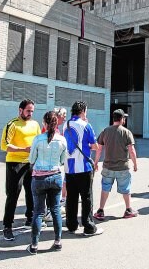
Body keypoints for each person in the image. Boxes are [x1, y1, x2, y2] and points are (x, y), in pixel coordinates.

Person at [26, 111, 68, 254]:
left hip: (39, 177)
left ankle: (34, 245)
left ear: (44, 123)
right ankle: (57, 242)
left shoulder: (38, 139)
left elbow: (31, 160)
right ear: (56, 124)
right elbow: (63, 160)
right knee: (55, 209)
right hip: (56, 176)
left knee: (38, 212)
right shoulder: (62, 140)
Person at [0, 99, 40, 241]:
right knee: (13, 195)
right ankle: (7, 226)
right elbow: (4, 146)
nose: (30, 113)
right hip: (14, 163)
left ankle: (30, 218)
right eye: (28, 110)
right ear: (20, 110)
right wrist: (24, 149)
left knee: (31, 192)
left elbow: (38, 141)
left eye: (32, 111)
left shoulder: (35, 125)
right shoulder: (12, 124)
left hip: (30, 163)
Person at [64, 101, 102, 236]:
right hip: (83, 166)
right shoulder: (86, 125)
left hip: (69, 167)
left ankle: (72, 224)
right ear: (83, 111)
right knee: (86, 197)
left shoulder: (66, 124)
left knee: (71, 197)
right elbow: (95, 145)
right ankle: (88, 226)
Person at [93, 109, 138, 220]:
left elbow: (99, 149)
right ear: (122, 119)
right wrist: (135, 164)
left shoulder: (105, 131)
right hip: (122, 167)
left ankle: (100, 210)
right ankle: (128, 210)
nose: (125, 119)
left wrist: (95, 162)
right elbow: (131, 150)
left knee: (105, 188)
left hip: (108, 167)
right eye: (124, 118)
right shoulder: (126, 132)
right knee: (126, 189)